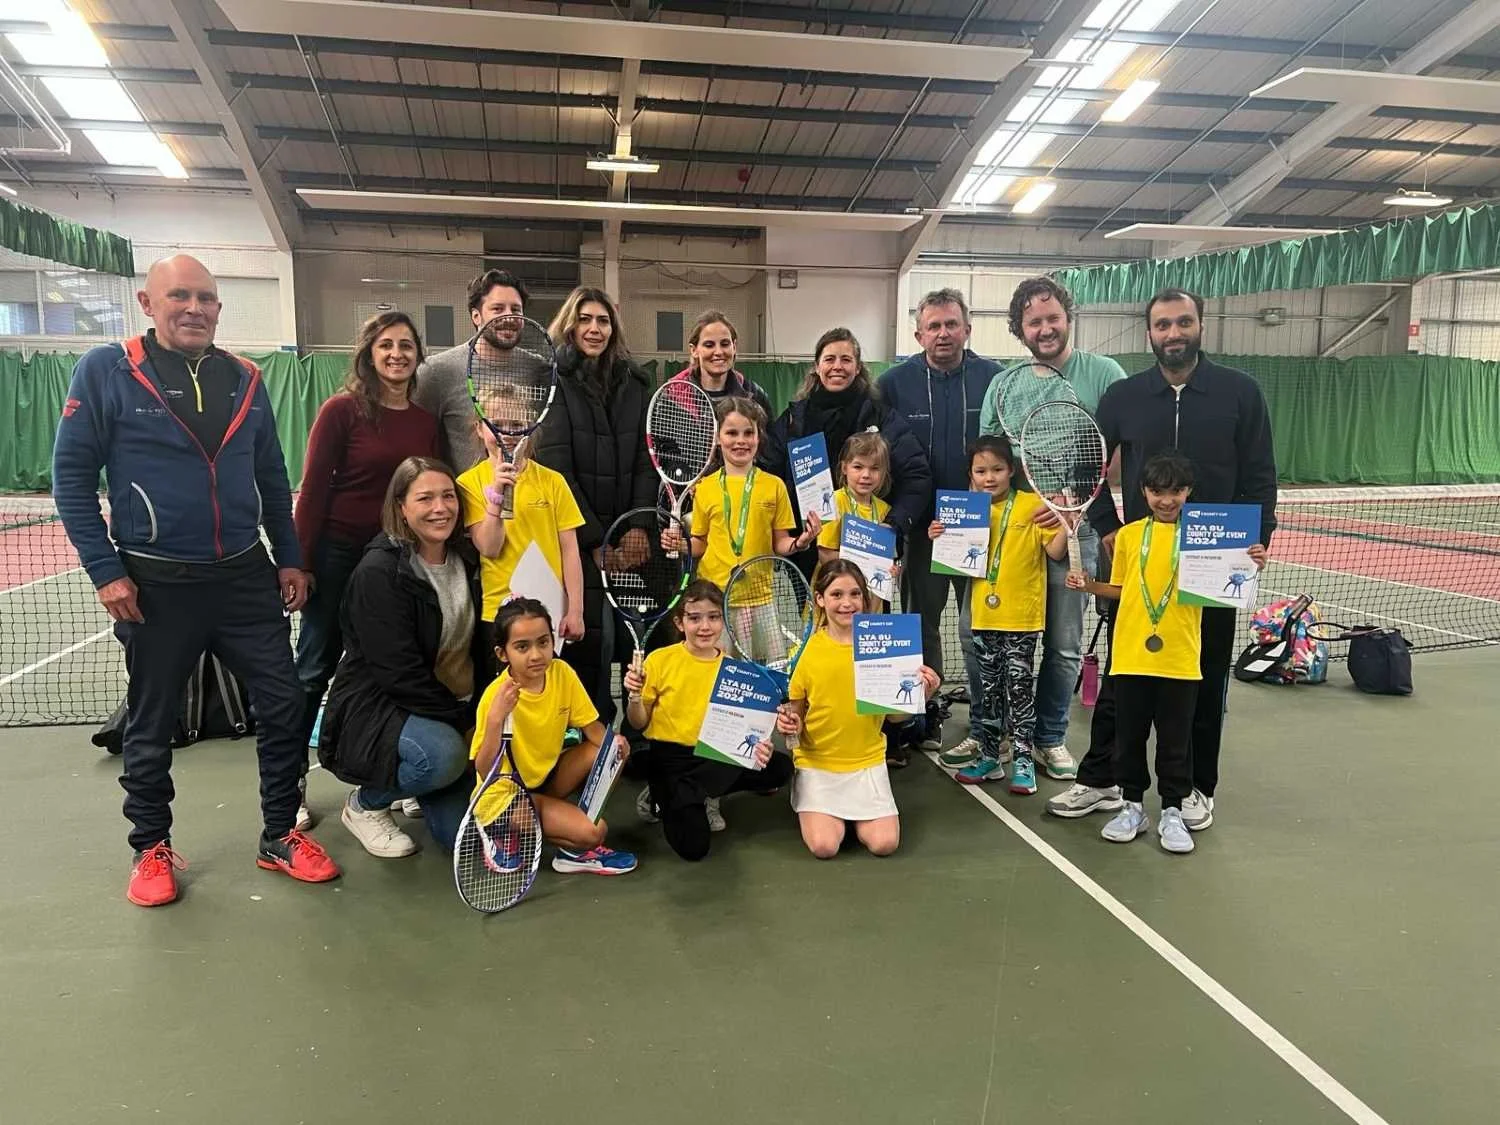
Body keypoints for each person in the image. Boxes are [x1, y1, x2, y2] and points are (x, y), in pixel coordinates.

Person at [52, 254, 340, 906]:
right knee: (151, 725)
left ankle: (279, 834)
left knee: (285, 704)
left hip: (244, 579)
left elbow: (271, 478)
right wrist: (106, 570)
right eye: (179, 295)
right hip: (155, 585)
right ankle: (150, 847)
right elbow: (70, 480)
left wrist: (289, 557)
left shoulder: (246, 378)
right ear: (147, 303)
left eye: (206, 298)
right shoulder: (106, 371)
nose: (195, 308)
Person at [1049, 288, 1277, 830]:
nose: (1173, 333)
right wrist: (1106, 526)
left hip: (1215, 563)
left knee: (1204, 679)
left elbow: (1261, 476)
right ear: (1148, 333)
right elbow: (1090, 467)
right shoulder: (1125, 397)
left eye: (1183, 322)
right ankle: (1103, 780)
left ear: (1200, 325)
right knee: (1119, 683)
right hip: (1139, 562)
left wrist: (1256, 541)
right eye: (1162, 325)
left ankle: (1198, 786)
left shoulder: (1240, 393)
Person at [1065, 451, 1268, 853]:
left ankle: (1173, 811)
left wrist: (1251, 563)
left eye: (1175, 492)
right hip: (1130, 658)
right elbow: (1120, 590)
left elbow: (1228, 585)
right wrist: (1088, 585)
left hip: (1180, 658)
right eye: (1157, 492)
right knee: (1130, 737)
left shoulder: (1203, 537)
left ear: (1188, 492)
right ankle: (1133, 806)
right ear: (1144, 492)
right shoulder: (1127, 536)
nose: (1166, 500)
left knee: (1176, 741)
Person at [965, 277, 1127, 781]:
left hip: (1075, 527)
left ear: (1067, 317)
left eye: (1052, 317)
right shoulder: (1004, 384)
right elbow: (988, 463)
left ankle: (1049, 738)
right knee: (981, 636)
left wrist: (1077, 499)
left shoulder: (1104, 374)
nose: (1045, 327)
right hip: (1013, 529)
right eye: (1034, 321)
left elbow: (1117, 454)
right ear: (1020, 329)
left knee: (1062, 643)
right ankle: (988, 730)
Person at [292, 311, 440, 826]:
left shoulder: (425, 422)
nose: (397, 353)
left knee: (397, 667)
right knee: (314, 669)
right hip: (337, 558)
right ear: (369, 354)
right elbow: (312, 491)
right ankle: (288, 783)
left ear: (418, 356)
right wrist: (300, 562)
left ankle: (394, 775)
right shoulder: (341, 411)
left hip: (397, 564)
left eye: (406, 345)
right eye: (386, 345)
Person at [317, 457, 489, 858]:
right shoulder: (379, 572)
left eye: (448, 496)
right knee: (444, 755)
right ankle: (366, 804)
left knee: (460, 840)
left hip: (448, 708)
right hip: (385, 707)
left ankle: (416, 782)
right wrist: (463, 724)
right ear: (401, 508)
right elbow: (399, 675)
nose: (440, 508)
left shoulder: (468, 559)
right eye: (425, 498)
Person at [876, 289, 1000, 752]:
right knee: (921, 622)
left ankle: (988, 717)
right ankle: (925, 711)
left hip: (979, 530)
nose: (943, 333)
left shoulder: (995, 378)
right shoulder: (893, 384)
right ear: (918, 333)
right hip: (922, 530)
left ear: (967, 329)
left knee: (980, 627)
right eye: (934, 326)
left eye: (951, 324)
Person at [530, 286, 657, 720]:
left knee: (638, 642)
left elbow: (646, 459)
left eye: (602, 320)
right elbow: (556, 467)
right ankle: (594, 737)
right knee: (593, 646)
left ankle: (640, 740)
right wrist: (597, 543)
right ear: (569, 324)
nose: (594, 328)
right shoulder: (552, 380)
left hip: (633, 537)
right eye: (584, 319)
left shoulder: (637, 383)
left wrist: (638, 529)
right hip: (578, 543)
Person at [929, 436, 1069, 794]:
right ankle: (991, 756)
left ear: (1012, 472)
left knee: (1019, 693)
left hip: (1021, 620)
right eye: (981, 471)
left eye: (997, 470)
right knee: (988, 693)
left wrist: (1067, 523)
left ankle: (1023, 761)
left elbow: (1054, 552)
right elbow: (957, 563)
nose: (989, 477)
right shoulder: (966, 509)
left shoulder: (1031, 506)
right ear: (971, 475)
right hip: (982, 618)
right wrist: (940, 537)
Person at [775, 560, 940, 859]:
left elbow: (894, 717)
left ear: (864, 599)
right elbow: (796, 713)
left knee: (884, 844)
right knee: (825, 847)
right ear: (820, 600)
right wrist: (790, 723)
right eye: (837, 595)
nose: (847, 603)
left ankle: (850, 816)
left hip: (866, 763)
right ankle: (818, 808)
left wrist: (922, 696)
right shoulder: (805, 652)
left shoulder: (886, 648)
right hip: (817, 764)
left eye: (854, 594)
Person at [623, 579, 794, 860]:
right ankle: (662, 793)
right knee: (694, 848)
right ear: (680, 623)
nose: (705, 626)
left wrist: (761, 747)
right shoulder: (659, 660)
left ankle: (701, 792)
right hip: (671, 758)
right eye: (694, 618)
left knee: (778, 768)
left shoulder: (734, 670)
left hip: (714, 754)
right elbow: (638, 723)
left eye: (714, 617)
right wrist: (634, 696)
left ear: (724, 621)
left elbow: (747, 733)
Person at [471, 598, 638, 875]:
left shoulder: (561, 673)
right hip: (504, 794)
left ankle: (568, 837)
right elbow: (484, 769)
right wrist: (495, 719)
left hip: (542, 779)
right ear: (503, 653)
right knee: (595, 832)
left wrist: (615, 744)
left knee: (610, 749)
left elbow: (592, 727)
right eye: (522, 647)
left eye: (543, 642)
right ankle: (499, 829)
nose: (536, 655)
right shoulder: (495, 698)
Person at [764, 326, 931, 577]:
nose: (837, 366)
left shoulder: (882, 417)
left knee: (867, 615)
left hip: (869, 548)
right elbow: (769, 476)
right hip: (810, 548)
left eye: (846, 359)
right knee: (818, 614)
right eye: (829, 359)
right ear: (817, 367)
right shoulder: (793, 420)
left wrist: (892, 525)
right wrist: (790, 531)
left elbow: (916, 475)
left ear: (857, 367)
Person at [457, 388, 586, 653]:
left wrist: (575, 610)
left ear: (530, 430)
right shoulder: (468, 484)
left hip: (550, 609)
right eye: (497, 424)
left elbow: (570, 551)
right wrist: (496, 497)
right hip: (498, 612)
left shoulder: (553, 481)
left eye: (516, 425)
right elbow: (490, 548)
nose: (507, 433)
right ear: (479, 429)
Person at [664, 396, 820, 586]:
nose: (741, 441)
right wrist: (679, 544)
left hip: (760, 597)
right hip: (714, 594)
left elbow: (780, 543)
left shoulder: (775, 485)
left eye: (748, 433)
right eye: (731, 433)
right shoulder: (704, 487)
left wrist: (800, 543)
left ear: (758, 437)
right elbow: (701, 544)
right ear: (718, 438)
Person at [412, 268, 529, 472]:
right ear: (476, 316)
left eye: (516, 310)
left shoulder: (537, 368)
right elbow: (418, 446)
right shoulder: (436, 372)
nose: (509, 316)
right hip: (466, 499)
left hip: (527, 498)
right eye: (498, 309)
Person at [667, 309, 774, 422]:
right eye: (709, 345)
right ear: (694, 350)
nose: (718, 352)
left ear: (734, 347)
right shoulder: (671, 397)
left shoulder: (755, 395)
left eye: (725, 344)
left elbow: (768, 439)